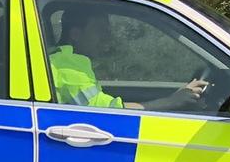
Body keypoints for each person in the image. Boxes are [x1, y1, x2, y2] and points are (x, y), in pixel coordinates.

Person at [48, 7, 208, 112]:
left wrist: (174, 97)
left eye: (107, 31)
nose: (107, 37)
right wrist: (171, 102)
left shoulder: (69, 59)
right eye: (100, 31)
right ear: (76, 34)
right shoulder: (66, 66)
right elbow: (111, 112)